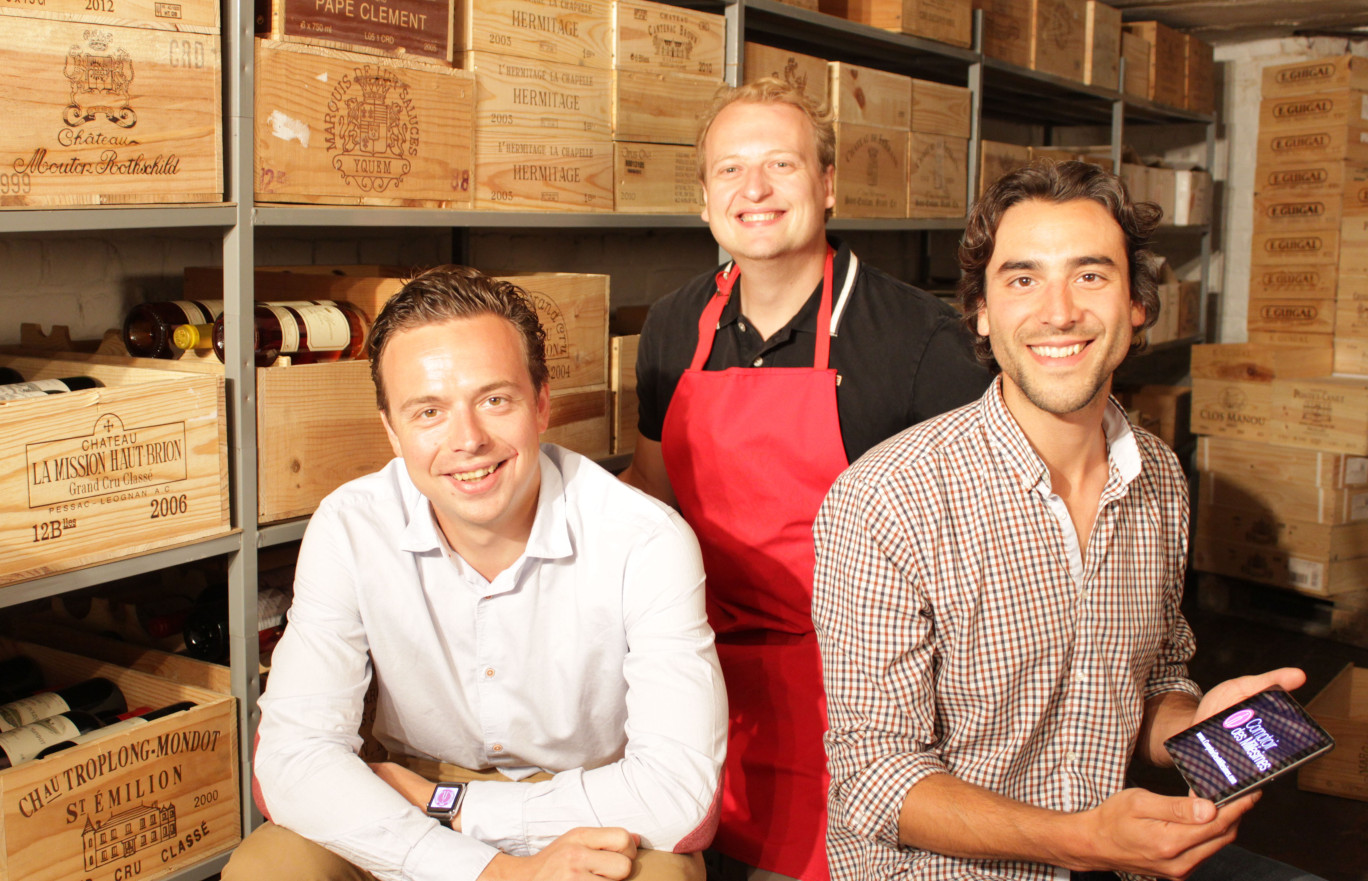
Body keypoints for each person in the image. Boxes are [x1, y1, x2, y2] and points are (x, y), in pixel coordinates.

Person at [813, 160, 1323, 881]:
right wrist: (1083, 840)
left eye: (1090, 275)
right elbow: (875, 777)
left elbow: (1153, 679)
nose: (1058, 311)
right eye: (1023, 279)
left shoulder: (1159, 480)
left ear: (1139, 304)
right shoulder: (889, 499)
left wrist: (1201, 722)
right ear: (983, 312)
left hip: (1107, 858)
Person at [225, 266, 727, 881]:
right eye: (428, 411)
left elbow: (681, 795)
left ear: (542, 404)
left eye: (494, 399)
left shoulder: (645, 541)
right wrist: (490, 871)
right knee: (269, 868)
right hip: (407, 795)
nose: (467, 439)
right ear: (392, 431)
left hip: (590, 802)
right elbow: (289, 762)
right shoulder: (351, 527)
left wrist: (459, 808)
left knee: (664, 875)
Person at [619, 78, 991, 881]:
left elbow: (974, 556)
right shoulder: (673, 324)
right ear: (703, 197)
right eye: (730, 170)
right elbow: (652, 491)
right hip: (704, 688)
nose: (753, 190)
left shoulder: (921, 341)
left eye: (781, 165)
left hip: (860, 702)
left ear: (828, 184)